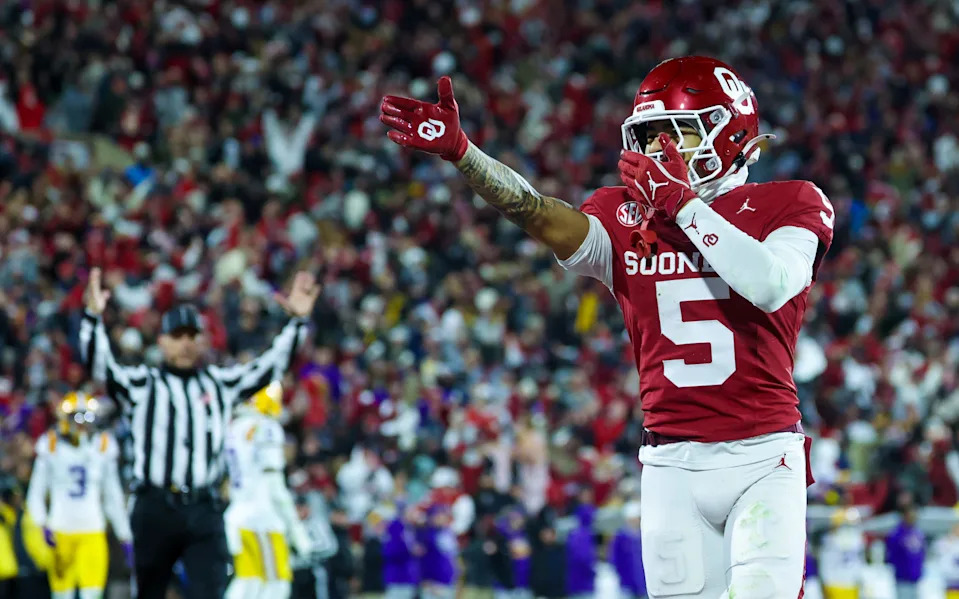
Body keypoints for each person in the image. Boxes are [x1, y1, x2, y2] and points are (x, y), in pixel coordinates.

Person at [380, 54, 834, 597]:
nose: (657, 152)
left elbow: (772, 283)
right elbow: (538, 211)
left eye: (676, 135)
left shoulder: (789, 202)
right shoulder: (623, 214)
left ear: (729, 131)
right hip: (669, 462)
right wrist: (464, 154)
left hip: (763, 455)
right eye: (649, 137)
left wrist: (683, 206)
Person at [78, 267, 319, 599]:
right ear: (161, 340)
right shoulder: (144, 383)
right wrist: (91, 318)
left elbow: (269, 369)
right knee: (149, 592)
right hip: (154, 504)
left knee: (212, 592)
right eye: (177, 336)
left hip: (204, 507)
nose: (186, 344)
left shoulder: (219, 384)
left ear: (204, 340)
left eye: (193, 336)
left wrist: (297, 324)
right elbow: (100, 367)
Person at [24, 391, 133, 599]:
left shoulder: (102, 445)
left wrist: (124, 534)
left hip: (92, 530)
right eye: (77, 416)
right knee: (62, 596)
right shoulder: (51, 444)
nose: (83, 423)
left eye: (88, 417)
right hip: (60, 531)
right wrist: (42, 524)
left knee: (92, 594)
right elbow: (36, 493)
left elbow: (112, 497)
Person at [224, 381, 312, 599]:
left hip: (239, 515)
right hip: (264, 519)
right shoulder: (265, 427)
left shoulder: (235, 427)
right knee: (276, 584)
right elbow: (274, 486)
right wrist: (297, 532)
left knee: (248, 582)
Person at [884, 507, 925, 599]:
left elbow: (921, 554)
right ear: (905, 516)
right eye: (912, 515)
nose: (914, 518)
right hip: (902, 579)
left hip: (916, 578)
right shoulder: (896, 534)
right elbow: (891, 556)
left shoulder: (918, 533)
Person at [610, 501, 646, 599]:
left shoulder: (643, 535)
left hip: (644, 582)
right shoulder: (620, 536)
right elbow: (614, 558)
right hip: (627, 582)